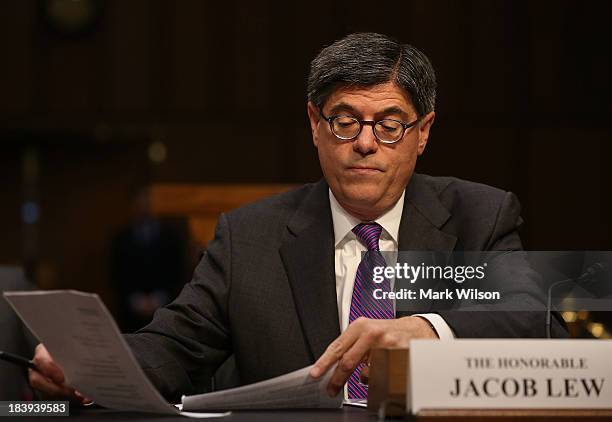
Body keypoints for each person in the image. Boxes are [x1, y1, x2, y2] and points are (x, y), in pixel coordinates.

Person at [28, 32, 566, 403]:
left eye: (390, 124)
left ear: (423, 133)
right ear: (314, 124)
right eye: (344, 120)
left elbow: (536, 317)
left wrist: (429, 328)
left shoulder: (480, 215)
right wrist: (85, 364)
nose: (364, 144)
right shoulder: (250, 236)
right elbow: (174, 345)